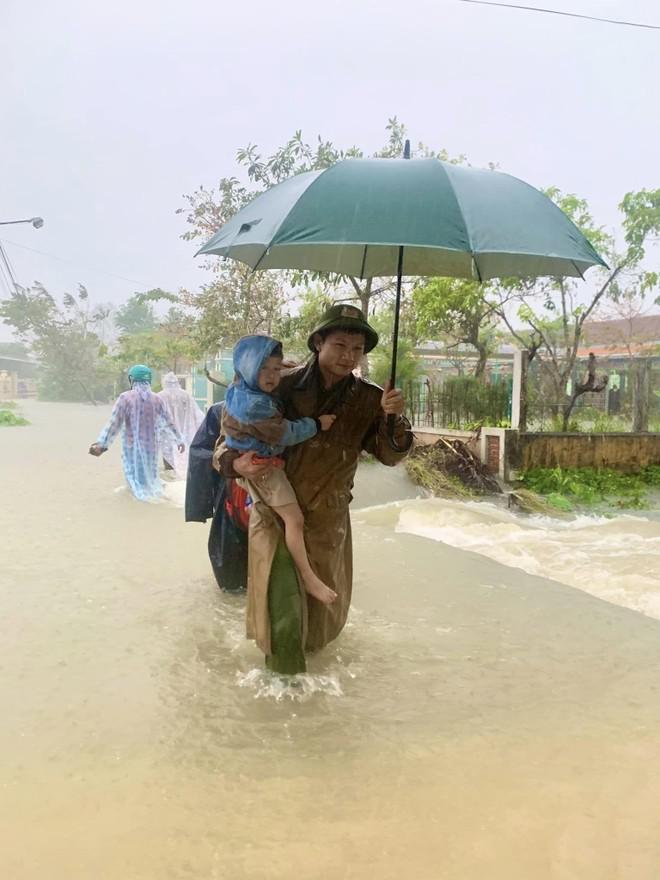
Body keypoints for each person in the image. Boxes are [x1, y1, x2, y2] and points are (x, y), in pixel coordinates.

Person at [214, 304, 413, 674]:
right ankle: (282, 700)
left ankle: (316, 710)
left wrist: (393, 417)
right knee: (281, 620)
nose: (348, 356)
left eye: (357, 350)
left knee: (320, 628)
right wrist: (234, 463)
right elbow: (226, 443)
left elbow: (389, 456)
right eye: (340, 345)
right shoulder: (277, 384)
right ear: (318, 342)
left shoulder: (371, 399)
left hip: (328, 521)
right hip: (276, 516)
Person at [219, 334, 339, 606]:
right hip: (265, 469)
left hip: (298, 488)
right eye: (264, 368)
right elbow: (283, 433)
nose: (273, 376)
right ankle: (309, 577)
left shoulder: (240, 392)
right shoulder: (256, 404)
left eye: (277, 368)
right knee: (292, 521)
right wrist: (317, 424)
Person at [89, 364, 184, 501]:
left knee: (134, 481)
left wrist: (102, 444)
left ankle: (139, 502)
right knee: (150, 479)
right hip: (152, 448)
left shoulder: (125, 398)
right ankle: (152, 499)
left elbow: (113, 424)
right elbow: (169, 422)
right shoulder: (157, 399)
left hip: (132, 447)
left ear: (131, 379)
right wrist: (178, 439)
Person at [157, 372, 204, 479]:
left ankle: (171, 476)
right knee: (184, 454)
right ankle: (185, 476)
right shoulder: (185, 394)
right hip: (185, 430)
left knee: (168, 454)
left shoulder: (160, 396)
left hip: (167, 431)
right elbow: (196, 412)